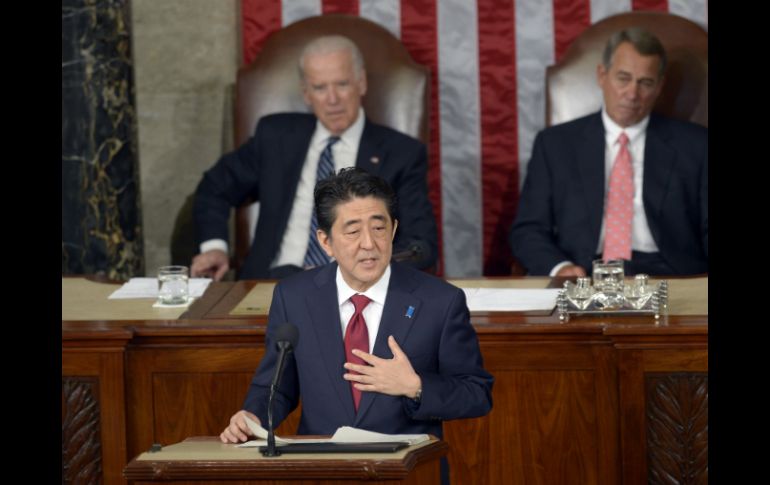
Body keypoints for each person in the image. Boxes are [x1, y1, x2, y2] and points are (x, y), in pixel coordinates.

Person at [220, 167, 493, 485]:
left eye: (379, 228)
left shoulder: (439, 301)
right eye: (352, 232)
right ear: (326, 242)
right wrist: (252, 418)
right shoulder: (293, 296)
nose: (369, 244)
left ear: (393, 230)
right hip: (321, 473)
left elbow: (476, 393)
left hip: (408, 475)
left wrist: (415, 386)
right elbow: (276, 385)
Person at [192, 35, 437, 280]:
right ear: (306, 93)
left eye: (342, 84)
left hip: (353, 287)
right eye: (320, 88)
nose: (332, 100)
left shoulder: (401, 153)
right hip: (271, 283)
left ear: (361, 83)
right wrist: (214, 247)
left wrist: (364, 267)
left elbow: (420, 244)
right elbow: (215, 187)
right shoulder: (275, 136)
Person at [510, 27, 708, 277]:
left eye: (645, 82)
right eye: (623, 78)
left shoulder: (697, 146)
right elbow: (528, 230)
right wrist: (561, 268)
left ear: (659, 87)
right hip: (584, 273)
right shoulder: (555, 145)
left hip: (672, 275)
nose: (632, 94)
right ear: (602, 76)